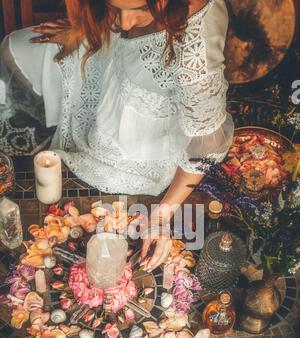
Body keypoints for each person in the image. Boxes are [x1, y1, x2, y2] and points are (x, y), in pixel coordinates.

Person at [0, 0, 234, 270]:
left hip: (139, 139)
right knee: (15, 46)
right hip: (109, 56)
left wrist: (162, 214)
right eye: (116, 6)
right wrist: (86, 31)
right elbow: (118, 25)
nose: (124, 23)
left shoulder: (195, 57)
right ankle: (29, 139)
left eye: (141, 9)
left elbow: (206, 146)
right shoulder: (121, 21)